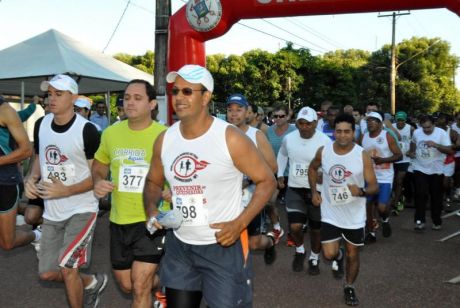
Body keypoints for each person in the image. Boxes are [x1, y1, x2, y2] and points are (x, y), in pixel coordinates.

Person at [143, 64, 276, 307]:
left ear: (206, 97)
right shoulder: (165, 139)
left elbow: (267, 181)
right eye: (175, 92)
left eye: (187, 92)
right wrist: (152, 211)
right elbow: (152, 181)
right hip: (180, 246)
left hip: (222, 246)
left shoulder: (230, 138)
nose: (179, 98)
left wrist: (240, 223)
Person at [24, 74, 107, 308]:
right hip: (52, 211)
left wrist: (67, 190)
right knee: (47, 273)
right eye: (49, 94)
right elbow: (39, 159)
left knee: (68, 267)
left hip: (82, 208)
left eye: (58, 94)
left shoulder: (88, 130)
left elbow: (97, 176)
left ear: (74, 98)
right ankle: (91, 282)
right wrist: (32, 178)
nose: (51, 99)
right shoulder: (42, 124)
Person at [92, 79, 167, 307]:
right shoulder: (111, 133)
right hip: (119, 219)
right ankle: (167, 285)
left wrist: (170, 192)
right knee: (128, 285)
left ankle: (160, 290)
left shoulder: (165, 135)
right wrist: (98, 181)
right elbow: (99, 164)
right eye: (126, 97)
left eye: (137, 98)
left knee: (140, 286)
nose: (130, 102)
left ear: (152, 104)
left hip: (151, 219)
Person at [308, 113, 378, 307]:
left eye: (347, 132)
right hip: (330, 211)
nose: (342, 136)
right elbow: (312, 169)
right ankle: (336, 256)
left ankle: (349, 287)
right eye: (338, 131)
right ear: (334, 132)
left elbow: (374, 186)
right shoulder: (324, 151)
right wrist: (314, 192)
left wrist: (361, 190)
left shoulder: (361, 154)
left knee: (352, 254)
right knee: (328, 254)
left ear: (354, 133)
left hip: (354, 214)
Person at [277, 106, 332, 274]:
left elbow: (332, 162)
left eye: (308, 124)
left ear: (315, 123)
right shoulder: (289, 138)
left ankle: (314, 257)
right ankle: (300, 250)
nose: (304, 127)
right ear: (297, 123)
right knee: (294, 227)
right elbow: (282, 155)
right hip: (295, 188)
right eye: (301, 123)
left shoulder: (324, 141)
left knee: (316, 229)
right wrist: (280, 174)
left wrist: (324, 174)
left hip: (317, 190)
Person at [226, 93, 278, 265]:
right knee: (228, 239)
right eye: (230, 110)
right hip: (227, 200)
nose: (234, 114)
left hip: (251, 199)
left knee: (254, 243)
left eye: (238, 109)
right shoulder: (219, 134)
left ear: (247, 112)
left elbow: (272, 168)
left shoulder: (257, 136)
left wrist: (248, 179)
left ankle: (270, 242)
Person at [0, 95, 37, 251]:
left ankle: (39, 234)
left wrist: (34, 104)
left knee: (7, 243)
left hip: (5, 181)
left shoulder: (5, 110)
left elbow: (27, 150)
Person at [407, 115, 454, 230]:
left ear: (434, 125)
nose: (426, 130)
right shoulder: (417, 132)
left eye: (429, 128)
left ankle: (436, 221)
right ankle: (419, 221)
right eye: (424, 128)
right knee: (420, 194)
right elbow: (413, 143)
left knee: (436, 196)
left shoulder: (441, 133)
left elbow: (450, 151)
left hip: (436, 169)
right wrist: (412, 152)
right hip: (420, 167)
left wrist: (436, 145)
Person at [360, 112, 402, 242]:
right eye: (368, 121)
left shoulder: (387, 135)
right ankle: (371, 233)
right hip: (369, 176)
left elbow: (399, 155)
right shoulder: (364, 136)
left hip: (385, 177)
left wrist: (383, 160)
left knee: (382, 207)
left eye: (373, 121)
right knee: (367, 204)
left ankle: (385, 219)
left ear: (380, 123)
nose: (370, 123)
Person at [266, 104, 296, 244]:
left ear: (287, 116)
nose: (278, 119)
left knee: (291, 206)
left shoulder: (294, 130)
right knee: (269, 202)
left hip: (292, 173)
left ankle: (292, 232)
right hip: (274, 172)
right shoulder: (269, 131)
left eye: (281, 116)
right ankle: (277, 228)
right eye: (275, 116)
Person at [390, 111, 414, 215]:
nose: (400, 122)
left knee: (399, 180)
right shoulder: (391, 127)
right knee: (393, 181)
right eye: (398, 119)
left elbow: (415, 141)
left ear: (405, 120)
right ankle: (399, 197)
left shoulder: (411, 129)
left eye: (402, 120)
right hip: (393, 158)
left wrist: (411, 151)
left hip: (405, 159)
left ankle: (396, 202)